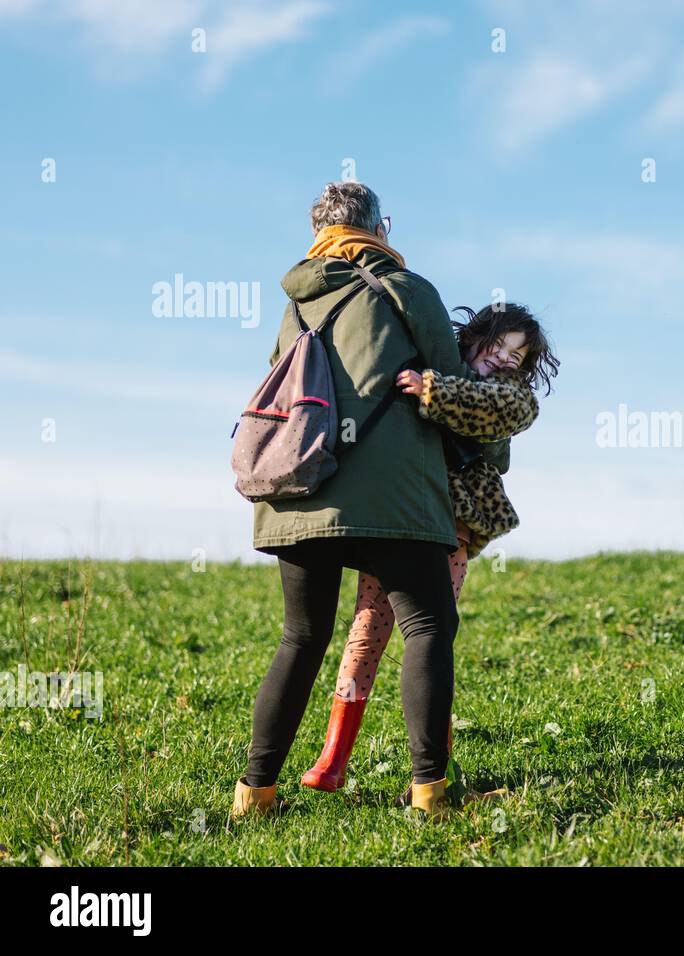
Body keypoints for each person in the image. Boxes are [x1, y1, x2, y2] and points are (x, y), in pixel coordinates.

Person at [231, 181, 472, 819]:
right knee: (427, 626)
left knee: (301, 637)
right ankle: (429, 794)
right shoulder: (409, 290)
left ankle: (254, 793)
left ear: (319, 234)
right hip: (393, 497)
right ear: (380, 228)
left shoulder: (295, 304)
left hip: (299, 492)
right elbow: (452, 388)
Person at [299, 303, 559, 797]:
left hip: (451, 529)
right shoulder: (437, 361)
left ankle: (434, 773)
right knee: (369, 627)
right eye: (500, 345)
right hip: (399, 519)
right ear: (476, 336)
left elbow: (501, 410)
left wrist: (434, 392)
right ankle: (333, 759)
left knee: (432, 642)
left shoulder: (504, 394)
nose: (506, 359)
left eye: (518, 356)